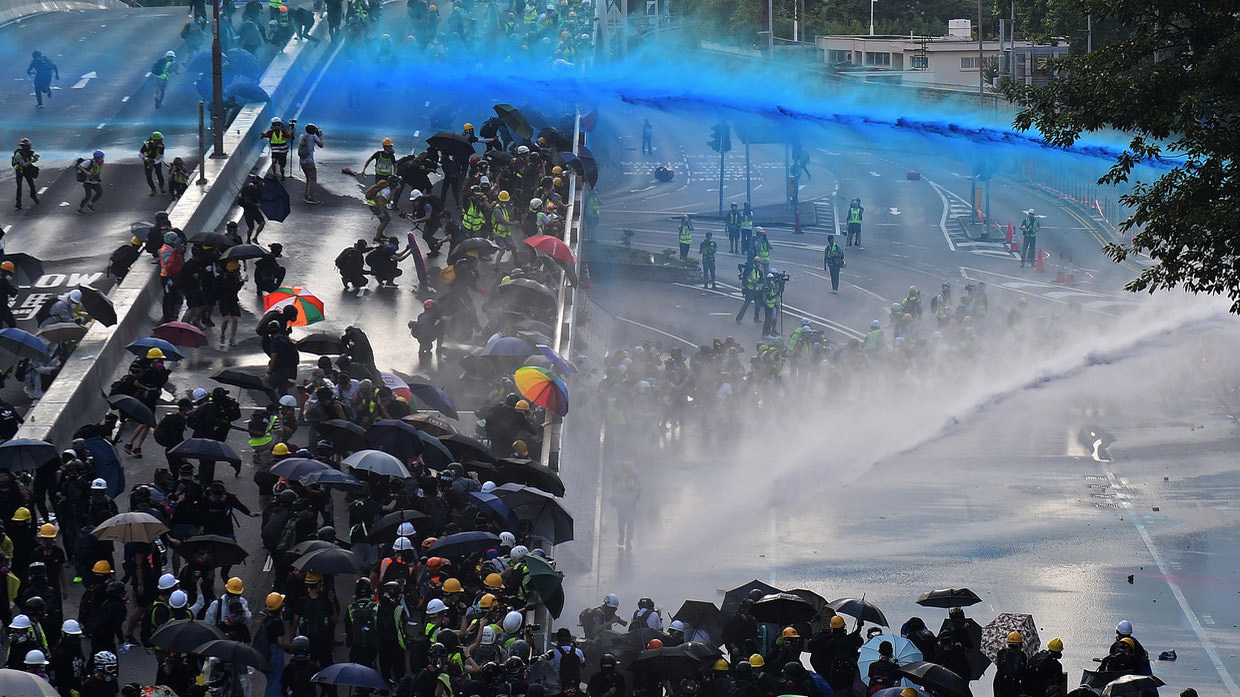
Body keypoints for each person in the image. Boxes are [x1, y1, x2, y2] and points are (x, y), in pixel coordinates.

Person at [992, 631, 1027, 697]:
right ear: (1019, 644)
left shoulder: (1001, 653)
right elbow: (1023, 673)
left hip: (1001, 687)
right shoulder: (1022, 655)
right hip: (1014, 688)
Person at [298, 122, 324, 203]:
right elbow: (321, 145)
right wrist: (320, 136)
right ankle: (310, 197)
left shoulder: (302, 136)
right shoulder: (313, 137)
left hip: (302, 161)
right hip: (309, 162)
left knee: (308, 179)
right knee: (312, 179)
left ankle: (307, 195)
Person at [12, 138, 40, 209]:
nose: (29, 147)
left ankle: (33, 196)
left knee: (32, 185)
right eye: (27, 146)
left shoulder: (29, 152)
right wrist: (33, 160)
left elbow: (33, 159)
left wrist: (36, 158)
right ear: (23, 146)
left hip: (27, 171)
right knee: (19, 187)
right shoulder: (18, 154)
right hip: (20, 171)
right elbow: (24, 164)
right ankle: (18, 202)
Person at [735, 257, 763, 324]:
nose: (758, 263)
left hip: (756, 290)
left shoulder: (759, 271)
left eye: (759, 262)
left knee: (758, 305)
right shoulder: (750, 269)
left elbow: (761, 280)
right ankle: (739, 319)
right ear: (754, 262)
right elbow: (745, 279)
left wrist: (759, 283)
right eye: (757, 262)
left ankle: (756, 319)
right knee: (746, 304)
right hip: (750, 289)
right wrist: (751, 282)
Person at [0, 261, 18, 329]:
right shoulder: (4, 281)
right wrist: (12, 285)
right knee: (12, 325)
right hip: (3, 307)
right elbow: (13, 293)